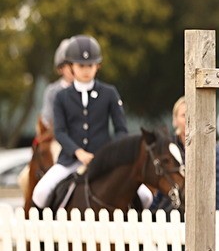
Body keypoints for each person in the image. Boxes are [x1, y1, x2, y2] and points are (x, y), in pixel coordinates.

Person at [31, 34, 153, 210]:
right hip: (70, 160)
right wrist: (78, 152)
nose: (86, 70)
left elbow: (121, 130)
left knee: (146, 196)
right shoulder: (61, 97)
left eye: (90, 65)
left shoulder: (109, 93)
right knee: (40, 192)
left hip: (104, 161)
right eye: (81, 65)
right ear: (71, 66)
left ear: (98, 66)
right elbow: (60, 131)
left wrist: (110, 155)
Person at [152, 96, 219, 213]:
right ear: (175, 120)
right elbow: (160, 189)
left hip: (202, 216)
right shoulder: (166, 149)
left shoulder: (215, 151)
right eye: (183, 115)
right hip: (167, 218)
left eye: (193, 113)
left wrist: (216, 214)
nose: (188, 119)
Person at [39, 39, 74, 126]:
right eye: (69, 64)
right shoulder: (52, 92)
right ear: (60, 68)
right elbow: (46, 119)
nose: (73, 68)